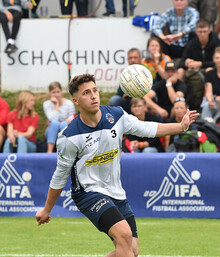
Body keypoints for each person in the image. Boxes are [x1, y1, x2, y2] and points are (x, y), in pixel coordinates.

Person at [35, 74, 199, 257]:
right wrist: (47, 209)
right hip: (88, 193)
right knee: (124, 234)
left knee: (132, 250)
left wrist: (181, 126)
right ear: (76, 100)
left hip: (116, 191)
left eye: (95, 90)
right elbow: (60, 174)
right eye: (86, 93)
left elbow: (148, 128)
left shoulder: (117, 115)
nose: (93, 96)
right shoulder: (69, 136)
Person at [178, 19, 220, 111]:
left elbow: (218, 61)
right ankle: (180, 102)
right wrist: (187, 62)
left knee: (209, 70)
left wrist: (200, 64)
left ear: (209, 31)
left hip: (212, 70)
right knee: (180, 71)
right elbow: (181, 62)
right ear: (196, 32)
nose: (202, 34)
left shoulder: (216, 42)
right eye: (200, 32)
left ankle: (206, 102)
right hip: (194, 71)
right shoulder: (192, 43)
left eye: (205, 32)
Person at [43, 81, 76, 153]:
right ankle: (49, 152)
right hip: (51, 131)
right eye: (53, 92)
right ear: (50, 93)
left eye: (58, 92)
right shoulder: (46, 104)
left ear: (61, 92)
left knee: (63, 124)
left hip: (65, 128)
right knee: (55, 123)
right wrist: (56, 104)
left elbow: (72, 119)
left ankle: (64, 152)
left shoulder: (69, 103)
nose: (56, 94)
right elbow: (52, 119)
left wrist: (64, 122)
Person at [109, 48, 142, 114]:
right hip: (128, 101)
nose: (133, 60)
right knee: (114, 100)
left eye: (135, 57)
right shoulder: (126, 73)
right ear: (127, 60)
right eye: (130, 58)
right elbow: (120, 93)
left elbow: (152, 89)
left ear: (140, 59)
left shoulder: (146, 71)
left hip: (144, 100)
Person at [201, 47, 220, 121]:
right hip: (215, 103)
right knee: (206, 106)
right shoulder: (210, 74)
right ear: (214, 59)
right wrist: (210, 100)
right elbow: (208, 92)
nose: (219, 60)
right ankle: (207, 128)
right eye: (217, 58)